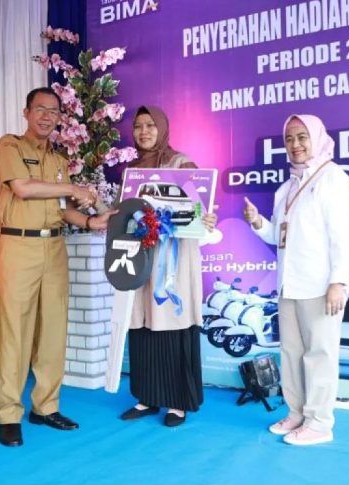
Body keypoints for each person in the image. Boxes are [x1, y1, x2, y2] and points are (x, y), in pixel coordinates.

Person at [0, 87, 115, 447]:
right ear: (26, 111)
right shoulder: (10, 146)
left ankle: (45, 407)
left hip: (54, 246)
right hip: (18, 245)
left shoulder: (59, 160)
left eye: (54, 111)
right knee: (16, 330)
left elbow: (61, 208)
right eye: (40, 109)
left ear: (61, 118)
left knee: (53, 330)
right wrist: (77, 187)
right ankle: (9, 413)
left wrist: (91, 222)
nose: (47, 117)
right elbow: (25, 189)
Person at [242, 114, 349, 446]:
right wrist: (257, 221)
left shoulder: (334, 179)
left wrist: (339, 281)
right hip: (288, 285)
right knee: (292, 353)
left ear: (317, 138)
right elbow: (278, 235)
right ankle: (297, 414)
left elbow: (345, 237)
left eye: (302, 137)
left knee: (319, 354)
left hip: (321, 286)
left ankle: (320, 423)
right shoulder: (286, 187)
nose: (296, 145)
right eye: (290, 139)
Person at [119, 106, 216, 427]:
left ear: (162, 128)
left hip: (174, 259)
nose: (144, 131)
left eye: (150, 125)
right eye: (138, 126)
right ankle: (147, 397)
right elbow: (126, 215)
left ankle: (177, 402)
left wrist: (206, 216)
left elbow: (200, 210)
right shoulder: (132, 171)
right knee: (143, 322)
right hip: (143, 257)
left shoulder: (182, 164)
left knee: (172, 320)